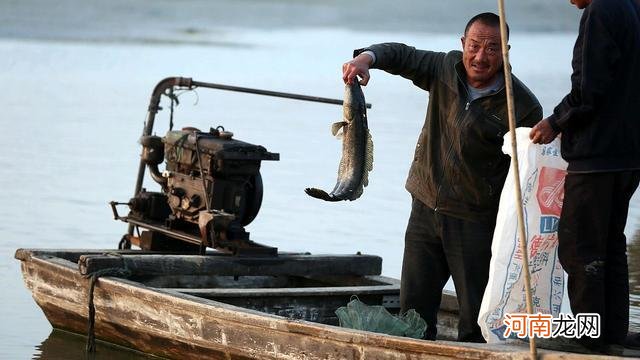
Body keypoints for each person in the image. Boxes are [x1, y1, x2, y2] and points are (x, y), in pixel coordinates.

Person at [343, 13, 542, 342]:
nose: (480, 56)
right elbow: (401, 55)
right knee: (412, 316)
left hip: (475, 222)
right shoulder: (444, 69)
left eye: (492, 48)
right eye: (474, 46)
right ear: (463, 44)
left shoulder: (521, 105)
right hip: (424, 207)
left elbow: (527, 177)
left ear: (506, 52)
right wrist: (366, 57)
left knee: (476, 321)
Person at [530, 0, 640, 353]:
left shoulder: (600, 11)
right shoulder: (632, 6)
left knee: (581, 247)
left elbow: (588, 91)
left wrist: (555, 122)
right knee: (610, 245)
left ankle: (589, 335)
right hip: (628, 154)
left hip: (598, 154)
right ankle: (612, 334)